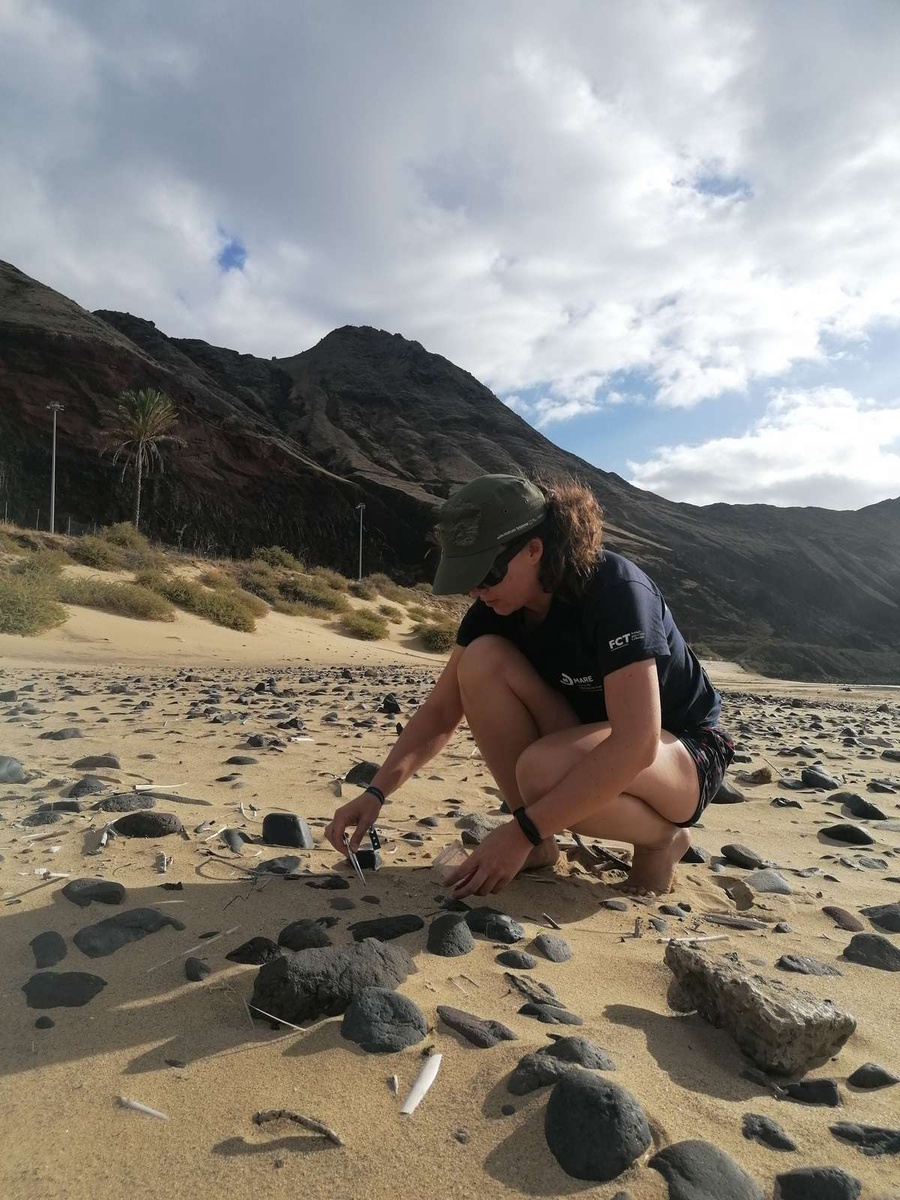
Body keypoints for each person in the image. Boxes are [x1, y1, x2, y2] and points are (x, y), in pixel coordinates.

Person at [325, 473, 733, 899]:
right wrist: (375, 792)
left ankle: (659, 839)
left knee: (541, 772)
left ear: (533, 550)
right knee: (481, 660)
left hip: (684, 752)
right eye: (469, 578)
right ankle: (541, 844)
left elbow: (636, 742)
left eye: (485, 574)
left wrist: (518, 832)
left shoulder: (614, 589)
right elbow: (442, 712)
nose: (476, 590)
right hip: (583, 740)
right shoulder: (495, 608)